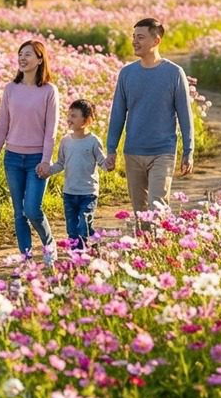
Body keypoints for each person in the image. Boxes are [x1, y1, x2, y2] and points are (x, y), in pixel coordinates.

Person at [104, 18, 194, 225]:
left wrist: (188, 151)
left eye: (140, 37)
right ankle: (146, 245)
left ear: (156, 40)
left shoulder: (174, 73)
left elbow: (185, 115)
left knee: (157, 207)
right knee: (140, 213)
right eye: (134, 37)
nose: (135, 41)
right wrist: (111, 149)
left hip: (163, 152)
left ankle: (160, 242)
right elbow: (117, 114)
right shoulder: (127, 73)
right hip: (133, 152)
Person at [0, 40, 60, 266]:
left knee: (32, 210)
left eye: (28, 54)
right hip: (12, 158)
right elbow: (2, 126)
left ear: (40, 59)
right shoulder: (10, 89)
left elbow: (51, 131)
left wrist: (46, 161)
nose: (22, 58)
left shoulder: (49, 91)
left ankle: (49, 245)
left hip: (37, 160)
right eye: (20, 54)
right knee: (19, 212)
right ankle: (26, 259)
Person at [47, 99, 109, 250]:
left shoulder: (94, 141)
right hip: (69, 192)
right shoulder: (65, 141)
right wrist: (48, 171)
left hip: (88, 192)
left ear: (86, 120)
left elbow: (102, 162)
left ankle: (82, 252)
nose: (69, 119)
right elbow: (60, 163)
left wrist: (109, 165)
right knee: (72, 228)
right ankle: (87, 244)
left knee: (83, 222)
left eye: (74, 116)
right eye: (69, 115)